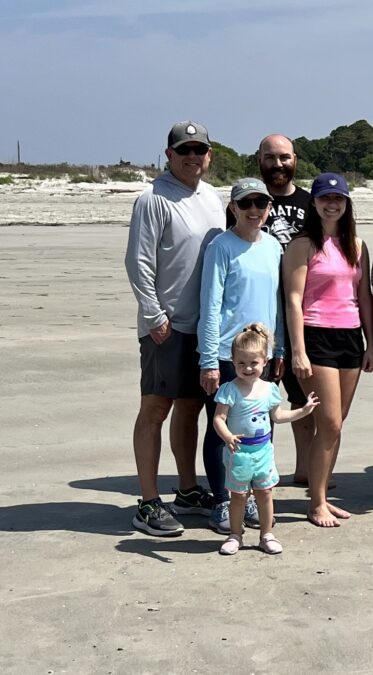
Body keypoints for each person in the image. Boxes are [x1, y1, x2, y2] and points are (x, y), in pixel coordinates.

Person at [125, 121, 224, 536]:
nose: (192, 157)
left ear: (209, 156)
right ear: (169, 155)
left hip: (204, 326)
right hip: (166, 326)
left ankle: (187, 490)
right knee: (155, 408)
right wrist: (154, 316)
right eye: (184, 150)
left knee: (190, 408)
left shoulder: (213, 197)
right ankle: (148, 503)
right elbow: (139, 261)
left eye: (199, 150)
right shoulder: (154, 198)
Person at [283, 173, 373, 527]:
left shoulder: (356, 244)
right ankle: (317, 502)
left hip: (350, 338)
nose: (332, 204)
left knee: (336, 426)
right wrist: (298, 350)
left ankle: (320, 493)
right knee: (330, 422)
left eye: (338, 198)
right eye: (325, 198)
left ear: (347, 203)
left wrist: (369, 342)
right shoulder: (303, 244)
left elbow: (363, 297)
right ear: (315, 202)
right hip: (316, 336)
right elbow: (293, 299)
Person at [198, 177, 287, 534]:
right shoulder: (221, 246)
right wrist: (208, 360)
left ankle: (249, 495)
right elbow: (210, 304)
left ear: (268, 208)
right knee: (221, 429)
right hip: (225, 355)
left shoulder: (274, 247)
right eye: (246, 204)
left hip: (261, 355)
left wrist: (278, 348)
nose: (254, 211)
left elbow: (277, 303)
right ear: (233, 208)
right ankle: (223, 499)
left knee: (258, 426)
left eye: (260, 204)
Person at [238, 134, 316, 488]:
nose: (278, 164)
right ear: (259, 160)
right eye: (270, 157)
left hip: (302, 315)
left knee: (301, 397)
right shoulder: (248, 201)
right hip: (258, 318)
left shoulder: (310, 202)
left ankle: (304, 468)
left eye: (284, 157)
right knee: (256, 398)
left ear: (295, 160)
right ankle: (258, 468)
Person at [214, 324, 320, 555]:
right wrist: (227, 436)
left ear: (265, 361)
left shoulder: (270, 389)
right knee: (239, 496)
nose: (247, 368)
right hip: (239, 452)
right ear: (233, 361)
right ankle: (235, 535)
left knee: (265, 493)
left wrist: (304, 410)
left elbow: (279, 416)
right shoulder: (229, 390)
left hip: (262, 451)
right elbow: (218, 419)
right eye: (241, 363)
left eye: (253, 362)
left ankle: (266, 535)